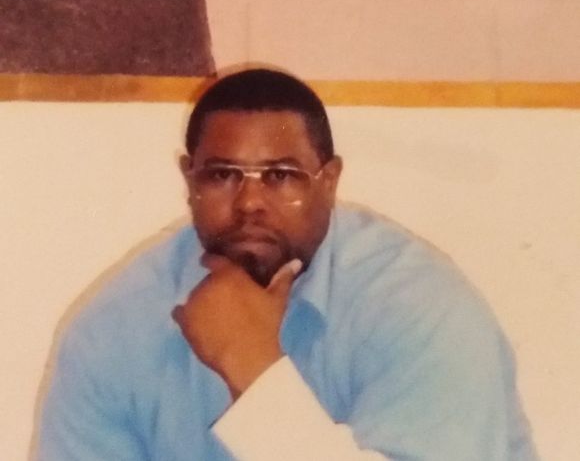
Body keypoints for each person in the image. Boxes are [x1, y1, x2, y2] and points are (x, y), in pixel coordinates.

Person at [36, 68, 539, 460]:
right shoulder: (115, 330)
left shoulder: (422, 310)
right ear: (190, 181)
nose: (250, 203)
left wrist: (254, 372)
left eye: (280, 176)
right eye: (222, 175)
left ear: (329, 181)